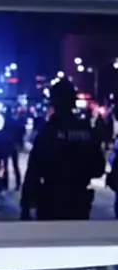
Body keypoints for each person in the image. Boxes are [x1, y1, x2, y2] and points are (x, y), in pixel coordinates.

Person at [20, 78, 105, 221]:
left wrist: (26, 204)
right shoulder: (86, 130)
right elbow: (98, 168)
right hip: (79, 200)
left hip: (52, 200)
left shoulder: (49, 131)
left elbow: (34, 169)